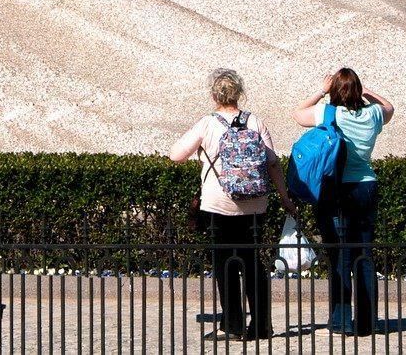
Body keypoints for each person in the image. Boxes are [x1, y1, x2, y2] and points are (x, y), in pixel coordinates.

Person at [169, 68, 294, 342]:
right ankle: (261, 325)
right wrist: (285, 198)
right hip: (254, 204)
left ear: (214, 94)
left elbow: (176, 155)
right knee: (252, 262)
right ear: (239, 93)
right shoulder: (255, 122)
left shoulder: (208, 123)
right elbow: (273, 163)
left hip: (219, 204)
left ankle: (233, 326)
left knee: (226, 264)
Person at [294, 69, 394, 337]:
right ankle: (368, 320)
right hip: (365, 185)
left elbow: (298, 112)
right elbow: (389, 107)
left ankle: (341, 319)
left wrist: (322, 91)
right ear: (358, 90)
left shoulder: (329, 113)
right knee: (365, 253)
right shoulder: (373, 115)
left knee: (340, 254)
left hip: (336, 188)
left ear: (334, 91)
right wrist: (366, 93)